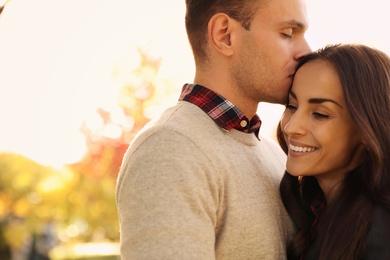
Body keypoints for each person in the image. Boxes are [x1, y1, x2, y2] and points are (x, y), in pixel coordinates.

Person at [116, 0, 311, 258]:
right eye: (287, 34)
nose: (306, 51)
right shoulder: (170, 149)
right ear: (225, 35)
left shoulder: (274, 154)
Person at [278, 43, 390, 259]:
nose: (291, 127)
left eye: (320, 114)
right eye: (292, 106)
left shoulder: (381, 227)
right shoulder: (313, 211)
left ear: (367, 130)